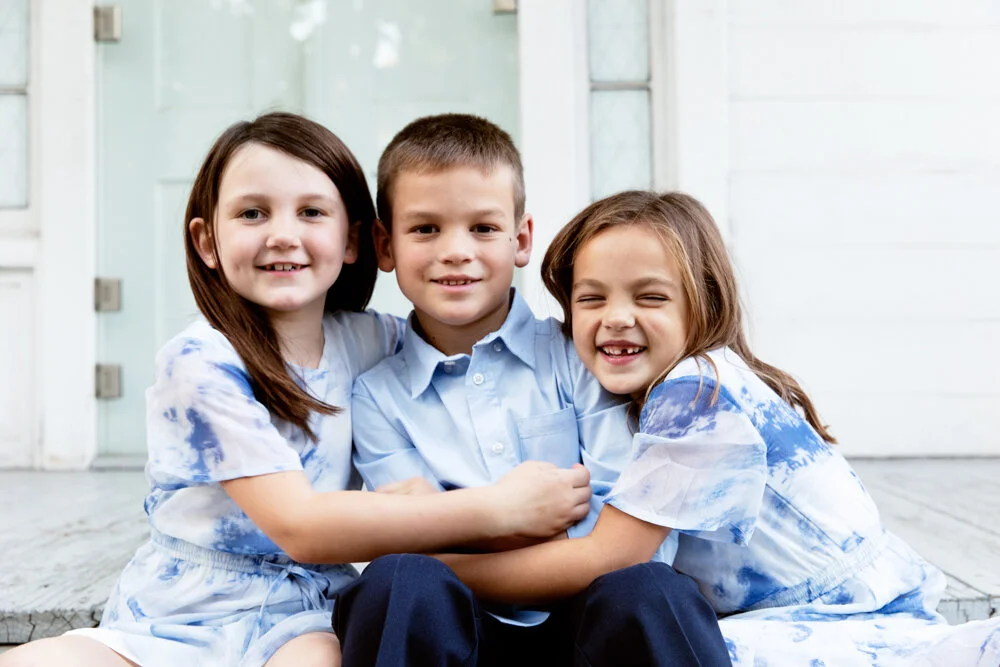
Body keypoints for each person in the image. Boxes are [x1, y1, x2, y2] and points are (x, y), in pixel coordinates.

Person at [0, 113, 595, 667]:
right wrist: (496, 507)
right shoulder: (201, 361)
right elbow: (300, 525)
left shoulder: (371, 341)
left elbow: (473, 350)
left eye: (311, 212)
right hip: (179, 613)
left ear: (355, 240)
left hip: (306, 614)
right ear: (207, 241)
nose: (283, 235)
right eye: (252, 214)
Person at [436, 189, 1000, 666]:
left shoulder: (698, 393)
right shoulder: (672, 387)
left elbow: (609, 558)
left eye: (650, 297)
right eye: (591, 298)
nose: (616, 317)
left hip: (833, 619)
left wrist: (441, 569)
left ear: (702, 301)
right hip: (800, 611)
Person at [332, 115, 730, 667]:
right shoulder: (377, 397)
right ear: (385, 244)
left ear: (520, 240)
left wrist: (455, 522)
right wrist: (511, 515)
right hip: (461, 633)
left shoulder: (579, 354)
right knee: (397, 580)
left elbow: (623, 540)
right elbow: (410, 540)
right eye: (425, 229)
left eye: (483, 228)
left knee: (650, 588)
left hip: (588, 626)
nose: (456, 250)